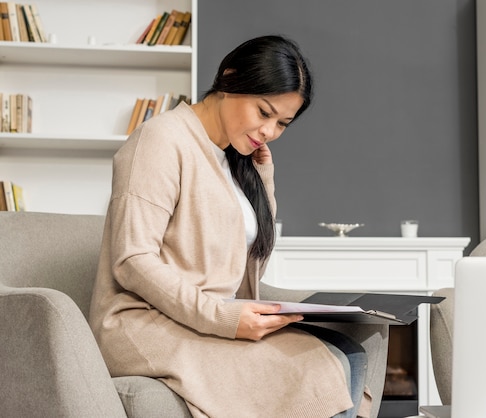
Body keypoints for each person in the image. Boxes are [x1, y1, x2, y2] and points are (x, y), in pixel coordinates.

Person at [88, 35, 370, 418]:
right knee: (312, 370)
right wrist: (222, 317)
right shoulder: (160, 140)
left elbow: (245, 266)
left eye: (282, 123)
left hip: (201, 318)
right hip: (143, 323)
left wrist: (263, 179)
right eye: (264, 112)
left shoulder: (236, 160)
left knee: (348, 351)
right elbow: (132, 260)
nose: (269, 130)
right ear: (229, 77)